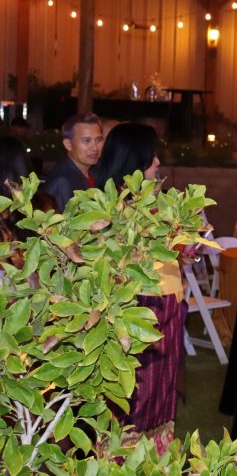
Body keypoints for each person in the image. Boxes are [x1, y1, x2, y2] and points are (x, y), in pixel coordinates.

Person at [93, 123, 181, 453]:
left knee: (161, 389)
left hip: (167, 304)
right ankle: (120, 463)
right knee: (133, 394)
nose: (157, 162)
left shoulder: (152, 202)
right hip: (137, 309)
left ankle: (155, 461)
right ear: (134, 161)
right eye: (151, 156)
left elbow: (173, 253)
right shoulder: (108, 208)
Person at [44, 112, 103, 211]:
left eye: (99, 139)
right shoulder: (62, 182)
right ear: (68, 144)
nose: (95, 147)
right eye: (86, 140)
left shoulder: (94, 172)